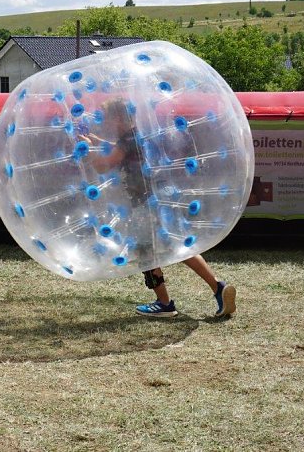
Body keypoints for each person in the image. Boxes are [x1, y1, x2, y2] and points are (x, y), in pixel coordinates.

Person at [78, 98, 236, 318]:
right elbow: (121, 148)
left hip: (144, 205)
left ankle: (164, 304)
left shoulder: (126, 141)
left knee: (145, 254)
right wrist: (97, 141)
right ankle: (218, 287)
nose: (106, 124)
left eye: (107, 119)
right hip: (159, 199)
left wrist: (87, 151)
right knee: (179, 247)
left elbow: (104, 166)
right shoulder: (139, 134)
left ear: (117, 118)